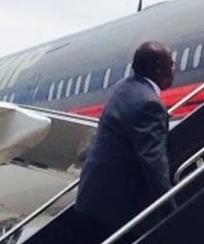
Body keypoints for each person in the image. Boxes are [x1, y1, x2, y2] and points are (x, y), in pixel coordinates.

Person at [73, 41, 175, 232]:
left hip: (93, 202)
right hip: (117, 210)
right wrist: (170, 208)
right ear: (158, 68)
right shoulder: (149, 104)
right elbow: (153, 161)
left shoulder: (124, 88)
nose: (174, 69)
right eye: (171, 64)